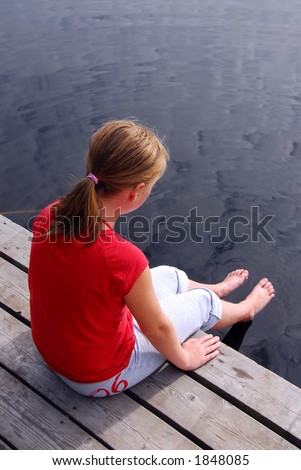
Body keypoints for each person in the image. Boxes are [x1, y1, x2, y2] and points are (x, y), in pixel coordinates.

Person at [28, 119, 275, 398]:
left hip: (55, 352)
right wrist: (184, 358)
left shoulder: (51, 213)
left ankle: (217, 290)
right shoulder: (122, 257)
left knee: (168, 274)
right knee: (201, 303)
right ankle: (245, 308)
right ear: (135, 193)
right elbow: (156, 329)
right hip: (96, 376)